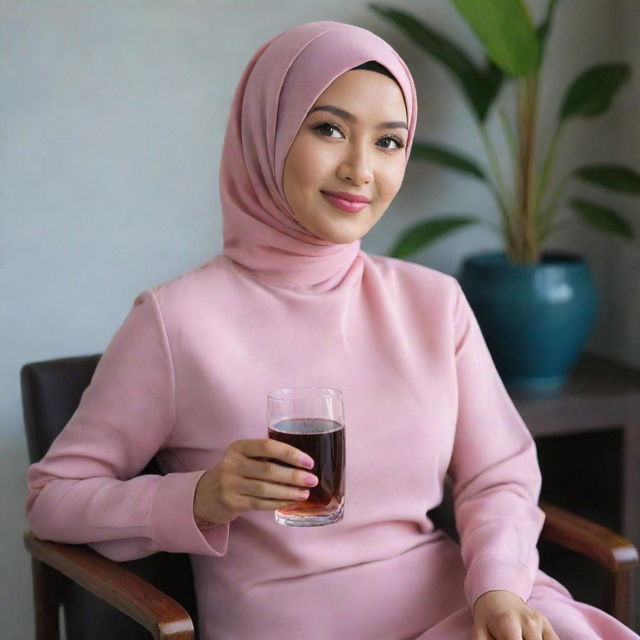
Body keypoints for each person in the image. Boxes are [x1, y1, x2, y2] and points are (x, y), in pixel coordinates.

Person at [25, 20, 638, 640]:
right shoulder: (175, 321)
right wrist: (201, 497)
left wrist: (500, 589)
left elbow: (499, 475)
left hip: (462, 606)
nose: (360, 169)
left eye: (389, 143)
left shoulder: (433, 302)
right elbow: (52, 498)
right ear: (267, 132)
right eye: (329, 129)